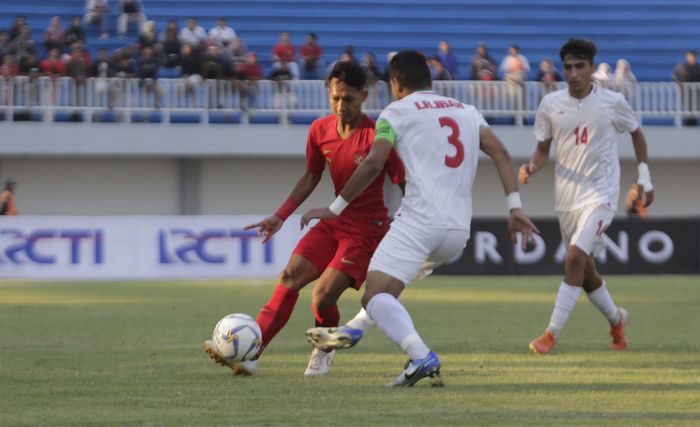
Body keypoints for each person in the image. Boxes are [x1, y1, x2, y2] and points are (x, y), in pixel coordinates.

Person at [303, 50, 538, 387]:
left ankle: (420, 354)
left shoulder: (395, 112)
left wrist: (334, 207)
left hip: (419, 222)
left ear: (395, 84)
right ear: (430, 80)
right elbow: (500, 151)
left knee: (374, 294)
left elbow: (372, 163)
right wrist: (515, 207)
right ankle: (355, 328)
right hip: (457, 231)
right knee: (386, 291)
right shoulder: (465, 110)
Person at [204, 61, 406, 377]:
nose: (341, 106)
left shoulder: (378, 137)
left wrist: (412, 225)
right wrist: (280, 215)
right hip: (333, 222)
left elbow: (404, 181)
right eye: (336, 98)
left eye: (349, 99)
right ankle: (249, 354)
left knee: (322, 297)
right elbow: (311, 176)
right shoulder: (319, 130)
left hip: (368, 230)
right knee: (288, 279)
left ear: (364, 96)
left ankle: (324, 350)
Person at [519, 39, 654, 355]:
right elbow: (542, 150)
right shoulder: (551, 104)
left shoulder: (611, 102)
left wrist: (644, 178)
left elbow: (636, 132)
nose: (574, 73)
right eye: (568, 67)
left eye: (580, 66)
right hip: (566, 199)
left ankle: (551, 334)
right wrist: (531, 167)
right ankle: (616, 319)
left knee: (575, 256)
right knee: (586, 272)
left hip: (601, 194)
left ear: (592, 68)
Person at [672, 50, 700, 126]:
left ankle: (693, 126)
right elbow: (674, 77)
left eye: (692, 57)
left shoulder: (698, 68)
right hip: (685, 94)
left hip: (696, 94)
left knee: (694, 111)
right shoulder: (682, 67)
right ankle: (688, 126)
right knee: (687, 112)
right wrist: (679, 84)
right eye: (689, 56)